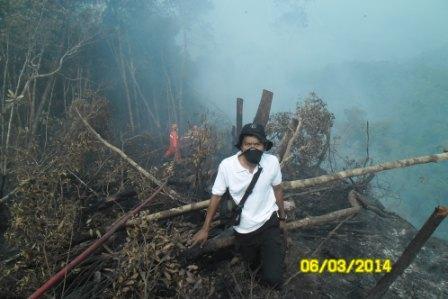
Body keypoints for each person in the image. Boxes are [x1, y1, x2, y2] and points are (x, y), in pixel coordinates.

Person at [190, 123, 287, 288]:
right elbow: (216, 197)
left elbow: (278, 189)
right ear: (241, 146)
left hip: (268, 222)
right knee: (252, 268)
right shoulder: (227, 166)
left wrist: (282, 217)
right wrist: (205, 229)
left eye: (257, 144)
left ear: (264, 146)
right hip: (244, 230)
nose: (252, 148)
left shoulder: (271, 162)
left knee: (274, 279)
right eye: (248, 144)